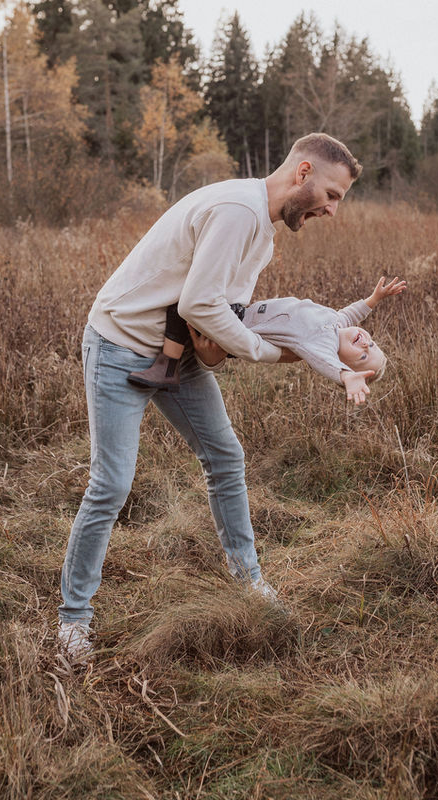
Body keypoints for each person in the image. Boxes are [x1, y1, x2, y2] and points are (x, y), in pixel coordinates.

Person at [58, 133, 362, 662]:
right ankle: (72, 622)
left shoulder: (262, 233)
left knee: (225, 456)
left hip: (178, 355)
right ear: (304, 172)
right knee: (111, 485)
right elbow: (201, 303)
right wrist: (267, 353)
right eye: (331, 195)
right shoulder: (236, 211)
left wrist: (227, 348)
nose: (332, 210)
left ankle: (249, 583)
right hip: (119, 345)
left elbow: (217, 319)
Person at [128, 276, 407, 404]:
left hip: (236, 325)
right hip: (243, 314)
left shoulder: (319, 347)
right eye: (372, 344)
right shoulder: (336, 324)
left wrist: (346, 376)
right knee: (195, 294)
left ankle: (167, 365)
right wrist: (374, 299)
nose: (365, 343)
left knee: (184, 305)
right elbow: (351, 314)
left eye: (362, 355)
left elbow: (325, 363)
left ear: (340, 360)